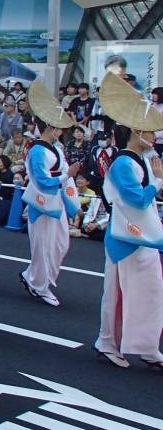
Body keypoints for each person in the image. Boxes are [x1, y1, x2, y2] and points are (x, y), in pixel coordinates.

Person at [92, 73, 163, 370]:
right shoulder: (123, 162)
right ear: (137, 131)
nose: (155, 135)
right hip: (126, 238)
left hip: (141, 234)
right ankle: (107, 341)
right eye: (150, 130)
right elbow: (136, 200)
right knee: (119, 294)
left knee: (150, 292)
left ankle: (146, 345)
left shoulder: (143, 159)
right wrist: (157, 183)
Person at [20, 80, 82, 307]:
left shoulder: (57, 148)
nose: (61, 130)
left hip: (57, 200)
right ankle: (39, 284)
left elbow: (64, 174)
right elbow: (42, 180)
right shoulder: (36, 150)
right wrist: (67, 176)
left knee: (60, 244)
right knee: (44, 246)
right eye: (57, 126)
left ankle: (36, 279)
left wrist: (73, 201)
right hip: (42, 202)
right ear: (49, 126)